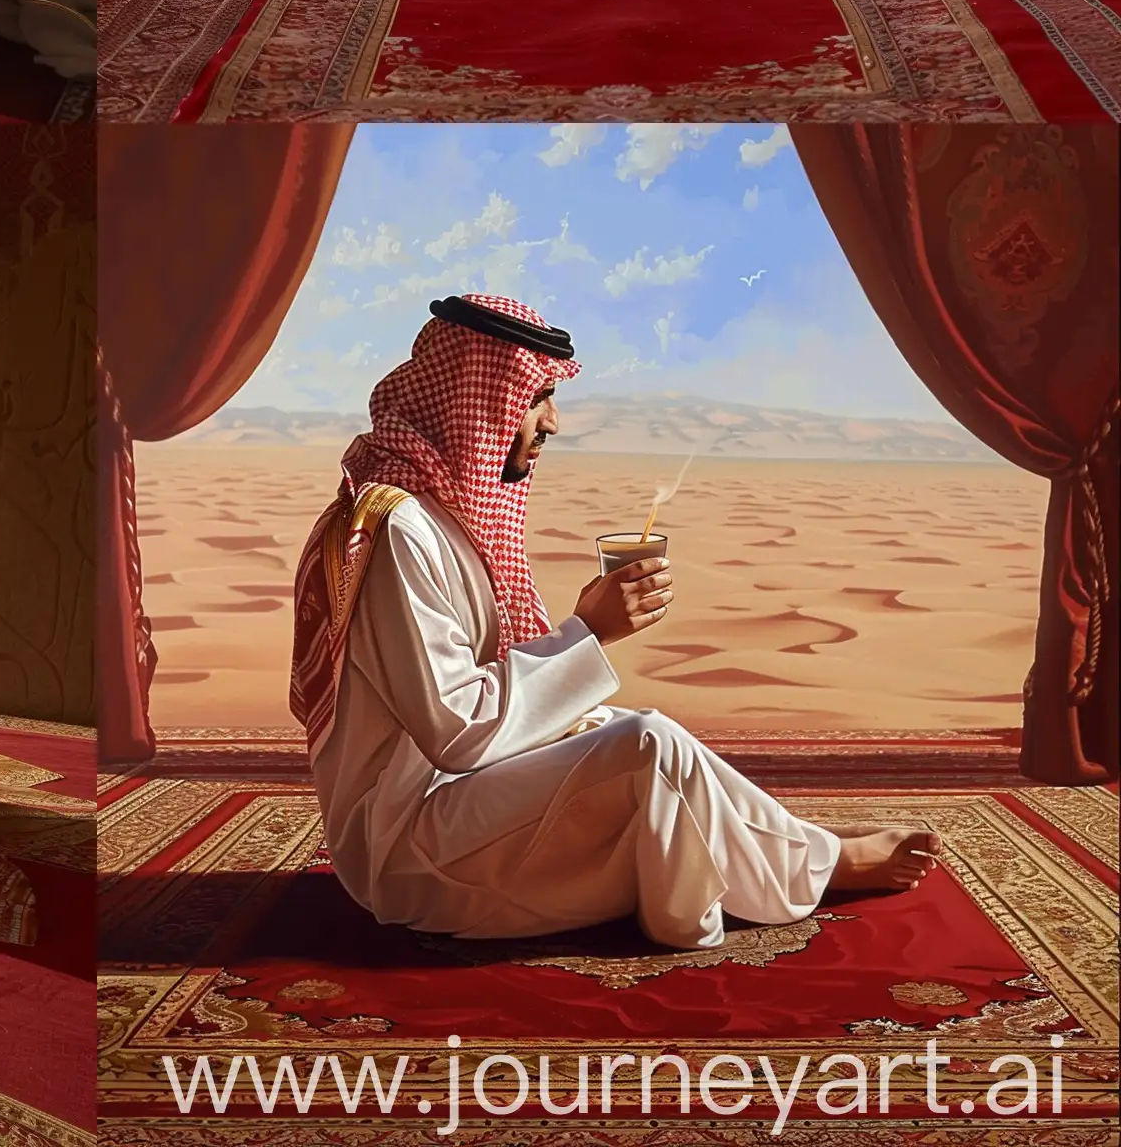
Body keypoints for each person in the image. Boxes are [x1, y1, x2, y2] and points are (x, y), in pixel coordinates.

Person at [290, 294, 940, 949]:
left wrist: (585, 638)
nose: (553, 422)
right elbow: (458, 731)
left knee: (617, 725)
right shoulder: (403, 527)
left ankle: (819, 857)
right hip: (409, 849)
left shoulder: (434, 513)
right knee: (649, 746)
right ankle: (797, 875)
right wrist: (589, 632)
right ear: (475, 400)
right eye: (537, 396)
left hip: (449, 798)